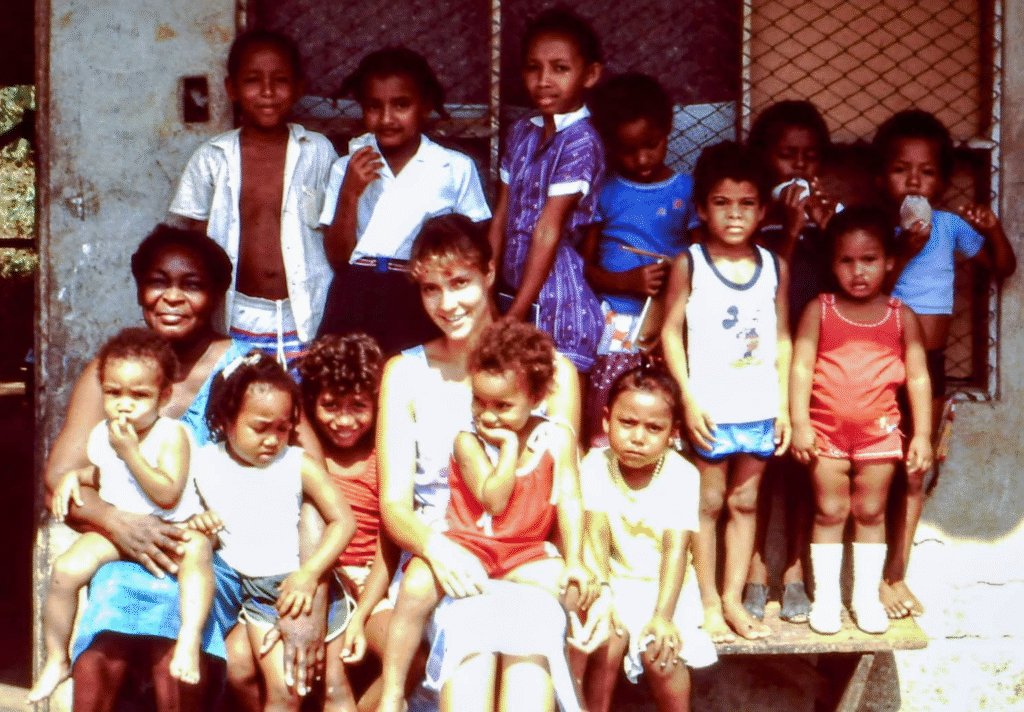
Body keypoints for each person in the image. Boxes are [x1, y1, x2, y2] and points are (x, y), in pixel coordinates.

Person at [43, 225, 325, 712]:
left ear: (216, 295)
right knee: (109, 608)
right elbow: (61, 475)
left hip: (226, 555)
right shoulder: (112, 371)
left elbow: (310, 482)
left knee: (178, 622)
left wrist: (308, 593)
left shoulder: (248, 371)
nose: (172, 297)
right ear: (139, 289)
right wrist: (118, 523)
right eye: (158, 281)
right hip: (129, 548)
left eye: (191, 284)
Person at [377, 213, 586, 712]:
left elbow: (570, 491)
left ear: (490, 273)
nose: (447, 304)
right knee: (471, 636)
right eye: (431, 289)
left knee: (530, 639)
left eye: (460, 283)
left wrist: (585, 569)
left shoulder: (550, 372)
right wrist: (438, 550)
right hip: (441, 559)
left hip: (527, 557)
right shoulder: (406, 373)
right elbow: (395, 505)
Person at [872, 109, 1016, 618]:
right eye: (900, 169)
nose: (914, 180)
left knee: (916, 469)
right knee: (870, 473)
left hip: (927, 367)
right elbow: (867, 289)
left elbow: (1002, 268)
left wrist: (994, 230)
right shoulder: (875, 231)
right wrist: (901, 250)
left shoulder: (951, 226)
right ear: (879, 175)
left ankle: (896, 575)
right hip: (877, 363)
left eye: (927, 171)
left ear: (944, 179)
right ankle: (862, 578)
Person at [29, 329, 207, 702]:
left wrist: (130, 453)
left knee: (199, 553)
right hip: (121, 532)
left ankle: (189, 641)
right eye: (113, 393)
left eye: (139, 395)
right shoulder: (103, 433)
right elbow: (102, 472)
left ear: (164, 396)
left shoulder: (170, 434)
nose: (124, 405)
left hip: (173, 530)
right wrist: (72, 479)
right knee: (64, 570)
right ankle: (57, 658)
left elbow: (167, 493)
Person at [661, 141, 791, 642]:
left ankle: (735, 601)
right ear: (701, 208)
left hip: (758, 406)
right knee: (709, 503)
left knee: (745, 503)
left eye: (745, 204)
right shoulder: (690, 263)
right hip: (709, 409)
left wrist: (783, 405)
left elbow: (781, 335)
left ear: (762, 210)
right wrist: (688, 399)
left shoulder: (774, 266)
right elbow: (671, 331)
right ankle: (708, 603)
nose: (734, 214)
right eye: (721, 203)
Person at [789, 206, 933, 634]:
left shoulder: (899, 315)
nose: (858, 271)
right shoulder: (821, 309)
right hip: (826, 433)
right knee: (830, 510)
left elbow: (920, 377)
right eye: (846, 260)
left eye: (869, 259)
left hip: (880, 436)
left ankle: (865, 598)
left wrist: (922, 434)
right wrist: (799, 422)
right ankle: (828, 601)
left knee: (870, 511)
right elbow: (799, 366)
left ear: (889, 261)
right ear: (832, 264)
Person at [188, 351, 356, 712]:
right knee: (278, 688)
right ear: (225, 419)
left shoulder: (296, 463)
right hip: (259, 596)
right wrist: (198, 521)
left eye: (282, 428)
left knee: (331, 687)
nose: (273, 440)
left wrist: (309, 575)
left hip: (305, 583)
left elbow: (344, 521)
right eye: (260, 428)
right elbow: (180, 507)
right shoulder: (204, 463)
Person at [169, 29, 337, 367]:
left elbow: (332, 228)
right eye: (253, 80)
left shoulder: (317, 151)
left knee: (300, 406)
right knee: (239, 406)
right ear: (232, 89)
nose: (268, 92)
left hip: (304, 314)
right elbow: (194, 245)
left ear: (300, 87)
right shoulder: (212, 157)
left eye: (280, 80)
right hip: (236, 315)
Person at [317, 47, 491, 355]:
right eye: (374, 106)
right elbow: (338, 259)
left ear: (424, 106)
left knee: (411, 384)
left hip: (421, 295)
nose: (387, 118)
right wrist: (350, 193)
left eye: (401, 105)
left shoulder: (453, 167)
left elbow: (475, 249)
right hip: (356, 292)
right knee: (351, 388)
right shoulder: (346, 167)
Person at [743, 100, 840, 624]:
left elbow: (846, 280)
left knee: (805, 467)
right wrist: (789, 226)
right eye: (786, 156)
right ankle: (755, 567)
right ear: (763, 160)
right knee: (758, 465)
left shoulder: (829, 220)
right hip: (756, 358)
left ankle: (796, 571)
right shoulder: (750, 217)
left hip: (815, 360)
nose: (799, 168)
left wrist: (823, 227)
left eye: (809, 157)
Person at [581, 363, 717, 712]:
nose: (638, 437)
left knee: (661, 651)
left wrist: (663, 616)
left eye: (653, 428)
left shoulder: (682, 474)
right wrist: (605, 595)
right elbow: (595, 536)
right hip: (612, 581)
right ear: (606, 420)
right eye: (627, 423)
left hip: (668, 588)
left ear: (673, 433)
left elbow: (675, 550)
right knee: (606, 641)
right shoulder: (595, 465)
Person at [581, 72, 698, 446]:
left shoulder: (688, 191)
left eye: (652, 144)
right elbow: (585, 270)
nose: (643, 158)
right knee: (612, 406)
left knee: (661, 406)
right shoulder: (606, 192)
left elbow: (701, 264)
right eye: (628, 150)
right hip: (615, 321)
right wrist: (628, 282)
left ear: (668, 131)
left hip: (669, 323)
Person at [487, 7, 606, 374]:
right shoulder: (523, 131)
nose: (544, 80)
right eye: (533, 68)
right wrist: (487, 284)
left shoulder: (581, 141)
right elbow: (502, 213)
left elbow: (548, 228)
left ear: (590, 75)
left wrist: (518, 313)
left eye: (560, 68)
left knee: (551, 391)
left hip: (555, 296)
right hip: (509, 286)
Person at [296, 332, 402, 711]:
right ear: (311, 403)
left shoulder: (382, 455)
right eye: (331, 405)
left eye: (358, 406)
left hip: (375, 582)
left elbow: (387, 544)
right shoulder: (306, 453)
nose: (344, 420)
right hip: (321, 582)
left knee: (404, 655)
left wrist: (363, 611)